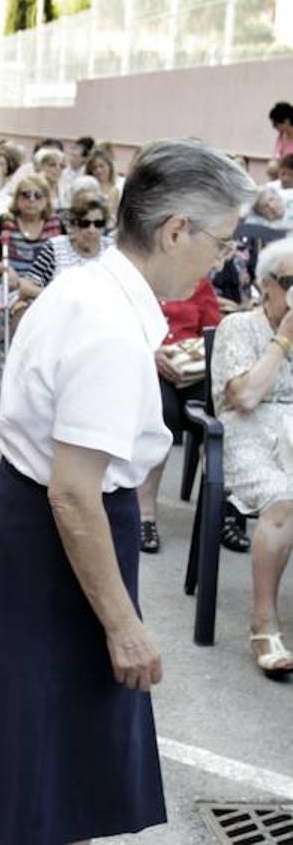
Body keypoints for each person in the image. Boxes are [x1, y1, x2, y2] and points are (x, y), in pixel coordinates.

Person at [0, 139, 256, 845]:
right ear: (175, 229)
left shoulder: (93, 290)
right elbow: (73, 494)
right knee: (38, 791)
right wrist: (124, 626)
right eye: (221, 240)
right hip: (57, 543)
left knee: (50, 789)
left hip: (41, 530)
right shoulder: (107, 328)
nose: (223, 258)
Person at [210, 237, 293, 677]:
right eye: (291, 282)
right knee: (283, 499)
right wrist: (283, 339)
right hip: (249, 432)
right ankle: (264, 622)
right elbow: (244, 397)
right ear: (266, 285)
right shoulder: (238, 328)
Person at [133, 274, 221, 554]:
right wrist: (151, 351)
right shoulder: (140, 278)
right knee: (160, 412)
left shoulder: (198, 282)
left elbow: (213, 328)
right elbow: (123, 327)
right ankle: (145, 512)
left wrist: (193, 355)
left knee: (219, 414)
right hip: (150, 364)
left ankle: (223, 512)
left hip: (192, 367)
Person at [0, 171, 64, 310]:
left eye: (38, 195)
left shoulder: (57, 224)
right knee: (23, 306)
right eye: (26, 195)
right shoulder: (5, 222)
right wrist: (4, 268)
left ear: (47, 200)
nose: (32, 200)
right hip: (13, 287)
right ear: (17, 198)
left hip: (48, 287)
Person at [20, 192, 113, 295]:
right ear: (73, 225)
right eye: (84, 224)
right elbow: (26, 287)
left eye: (98, 224)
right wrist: (59, 297)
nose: (91, 230)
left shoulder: (112, 250)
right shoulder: (55, 248)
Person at [86, 148, 123, 215]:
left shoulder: (119, 185)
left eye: (101, 166)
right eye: (94, 168)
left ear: (109, 166)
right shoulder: (89, 187)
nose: (98, 171)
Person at [269, 101, 293, 178]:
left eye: (275, 124)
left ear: (286, 121)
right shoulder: (281, 137)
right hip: (282, 179)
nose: (273, 127)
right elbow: (276, 157)